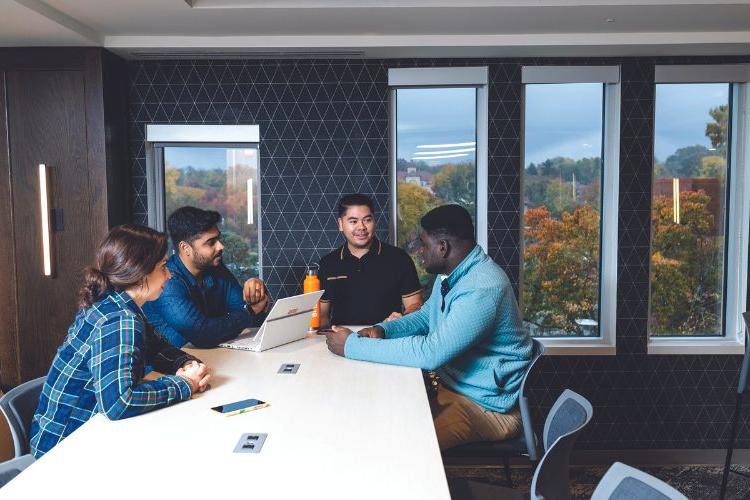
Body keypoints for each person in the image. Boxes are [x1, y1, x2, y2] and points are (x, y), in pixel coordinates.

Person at [325, 204, 532, 450]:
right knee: (377, 418)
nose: (420, 252)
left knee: (398, 445)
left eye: (424, 244)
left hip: (487, 406)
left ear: (442, 247)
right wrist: (383, 330)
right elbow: (425, 317)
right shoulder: (455, 274)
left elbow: (431, 352)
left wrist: (350, 346)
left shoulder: (482, 287)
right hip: (455, 388)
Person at [30, 225, 211, 458]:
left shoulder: (114, 302)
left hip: (72, 434)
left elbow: (156, 348)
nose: (170, 274)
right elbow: (119, 403)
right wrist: (185, 384)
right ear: (141, 271)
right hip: (64, 451)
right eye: (163, 267)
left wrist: (185, 364)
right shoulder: (119, 319)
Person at [143, 206, 269, 348]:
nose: (220, 246)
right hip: (173, 367)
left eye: (218, 239)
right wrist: (250, 311)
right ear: (186, 248)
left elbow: (250, 313)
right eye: (211, 242)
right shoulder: (167, 280)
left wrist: (256, 292)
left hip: (212, 358)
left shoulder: (214, 267)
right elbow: (203, 334)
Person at [318, 193, 423, 328]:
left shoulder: (399, 259)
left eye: (367, 220)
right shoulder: (328, 264)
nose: (361, 227)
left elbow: (415, 304)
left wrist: (401, 319)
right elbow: (321, 316)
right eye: (353, 221)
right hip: (342, 340)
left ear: (374, 221)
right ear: (340, 224)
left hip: (387, 337)